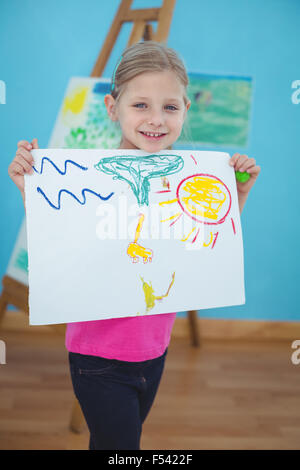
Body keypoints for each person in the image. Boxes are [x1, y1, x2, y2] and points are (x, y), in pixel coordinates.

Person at [8, 41, 261, 450]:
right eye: (140, 105)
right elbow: (63, 239)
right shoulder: (85, 180)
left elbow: (201, 247)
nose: (156, 120)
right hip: (98, 358)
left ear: (185, 111)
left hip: (154, 350)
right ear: (113, 108)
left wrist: (237, 198)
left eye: (170, 107)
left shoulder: (187, 183)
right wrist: (31, 190)